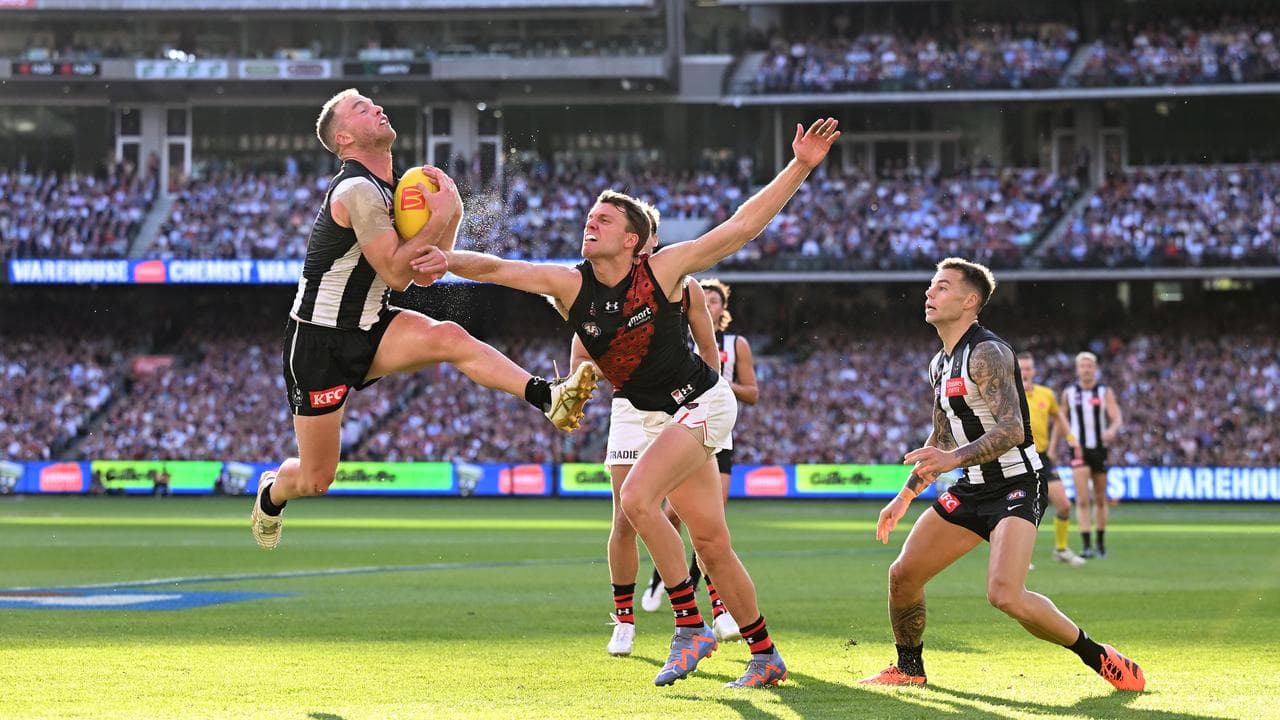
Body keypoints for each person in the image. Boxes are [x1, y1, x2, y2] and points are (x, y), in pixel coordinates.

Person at [422, 117, 841, 687]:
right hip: (651, 416)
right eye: (589, 217)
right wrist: (440, 258)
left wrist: (800, 165)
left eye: (604, 220)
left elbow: (742, 227)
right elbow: (498, 269)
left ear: (632, 241)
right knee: (712, 545)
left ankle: (690, 626)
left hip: (701, 402)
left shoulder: (663, 270)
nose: (589, 224)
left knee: (638, 501)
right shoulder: (571, 285)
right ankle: (766, 655)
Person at [249, 88, 598, 550]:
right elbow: (397, 274)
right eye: (361, 109)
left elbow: (425, 274)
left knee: (450, 337)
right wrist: (442, 215)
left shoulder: (400, 189)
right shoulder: (356, 190)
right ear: (345, 139)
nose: (376, 108)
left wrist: (451, 215)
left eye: (372, 103)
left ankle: (548, 396)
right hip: (318, 343)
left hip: (372, 325)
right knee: (316, 479)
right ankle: (271, 493)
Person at [861, 258, 1144, 692]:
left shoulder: (987, 352)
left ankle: (1098, 655)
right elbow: (941, 438)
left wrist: (952, 460)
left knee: (1005, 595)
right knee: (903, 575)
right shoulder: (940, 364)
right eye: (931, 285)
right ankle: (909, 668)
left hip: (1017, 484)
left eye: (942, 287)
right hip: (972, 487)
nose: (929, 293)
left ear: (969, 301)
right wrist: (904, 496)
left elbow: (1012, 429)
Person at [553, 205, 722, 658]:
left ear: (647, 241)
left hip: (683, 403)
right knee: (625, 517)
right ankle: (625, 620)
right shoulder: (599, 289)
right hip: (630, 406)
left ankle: (717, 608)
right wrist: (579, 383)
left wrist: (709, 406)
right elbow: (581, 356)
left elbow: (708, 351)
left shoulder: (682, 285)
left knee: (694, 516)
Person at [640, 278, 757, 649]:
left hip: (718, 428)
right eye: (702, 298)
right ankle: (660, 578)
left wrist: (717, 383)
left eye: (715, 300)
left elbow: (752, 393)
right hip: (681, 427)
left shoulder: (736, 345)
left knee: (711, 523)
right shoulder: (677, 339)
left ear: (723, 309)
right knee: (672, 515)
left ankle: (719, 609)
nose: (708, 304)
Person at [1016, 352, 1086, 566]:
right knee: (1022, 510)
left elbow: (1059, 416)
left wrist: (1072, 439)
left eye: (1028, 368)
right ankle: (1018, 557)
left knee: (1064, 505)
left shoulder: (1046, 394)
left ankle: (1061, 549)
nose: (1025, 372)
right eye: (1021, 368)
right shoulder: (1010, 394)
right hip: (1018, 456)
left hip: (1042, 457)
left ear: (1034, 371)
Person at [1062, 351, 1124, 558]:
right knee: (1082, 499)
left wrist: (1112, 430)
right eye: (1083, 366)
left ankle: (1100, 543)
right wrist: (1070, 440)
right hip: (1078, 449)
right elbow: (1062, 420)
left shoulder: (1104, 391)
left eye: (1089, 366)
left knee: (1100, 498)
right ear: (1077, 369)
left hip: (1099, 449)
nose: (1086, 369)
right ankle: (1087, 545)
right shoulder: (1069, 393)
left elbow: (1116, 417)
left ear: (1095, 369)